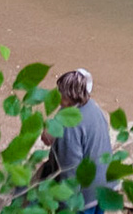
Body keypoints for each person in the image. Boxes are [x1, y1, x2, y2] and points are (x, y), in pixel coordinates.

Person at [44, 68, 116, 214]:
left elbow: (71, 169)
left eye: (60, 92)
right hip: (107, 185)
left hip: (86, 195)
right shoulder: (93, 107)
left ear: (68, 96)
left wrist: (66, 206)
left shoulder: (70, 127)